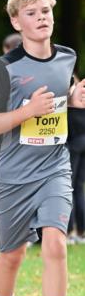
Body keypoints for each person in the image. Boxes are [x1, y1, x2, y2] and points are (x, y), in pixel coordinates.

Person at [0, 0, 85, 296]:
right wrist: (27, 111)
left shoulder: (67, 57)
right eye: (31, 13)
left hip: (55, 166)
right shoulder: (4, 68)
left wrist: (72, 100)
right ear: (16, 23)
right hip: (13, 176)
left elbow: (62, 96)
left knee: (56, 243)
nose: (41, 18)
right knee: (12, 255)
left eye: (46, 11)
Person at [67, 78, 85, 244]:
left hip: (73, 145)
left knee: (68, 187)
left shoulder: (69, 99)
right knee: (78, 188)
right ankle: (81, 232)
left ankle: (70, 231)